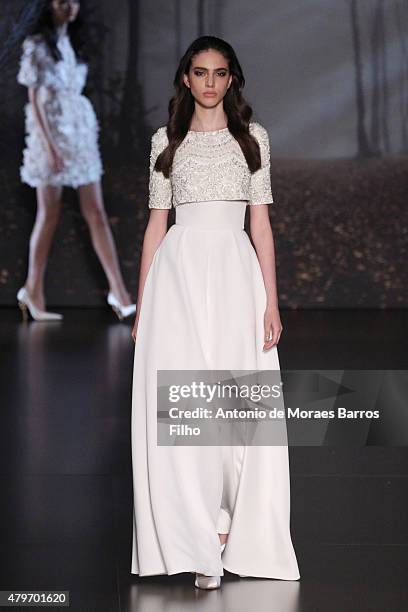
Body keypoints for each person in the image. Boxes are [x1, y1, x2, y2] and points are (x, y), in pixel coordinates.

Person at [130, 36, 300, 590]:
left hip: (234, 275)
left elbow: (261, 224)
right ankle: (200, 538)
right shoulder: (166, 141)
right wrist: (143, 302)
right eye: (200, 72)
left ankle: (229, 525)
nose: (209, 82)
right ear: (186, 78)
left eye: (219, 73)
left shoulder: (253, 140)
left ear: (232, 80)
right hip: (177, 278)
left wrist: (271, 299)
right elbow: (157, 224)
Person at [15, 0, 135, 321]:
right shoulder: (37, 45)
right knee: (49, 213)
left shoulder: (70, 42)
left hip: (78, 134)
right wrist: (51, 147)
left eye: (73, 0)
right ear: (47, 5)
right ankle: (33, 289)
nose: (68, 6)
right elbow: (35, 101)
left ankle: (119, 292)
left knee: (95, 211)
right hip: (51, 136)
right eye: (60, 0)